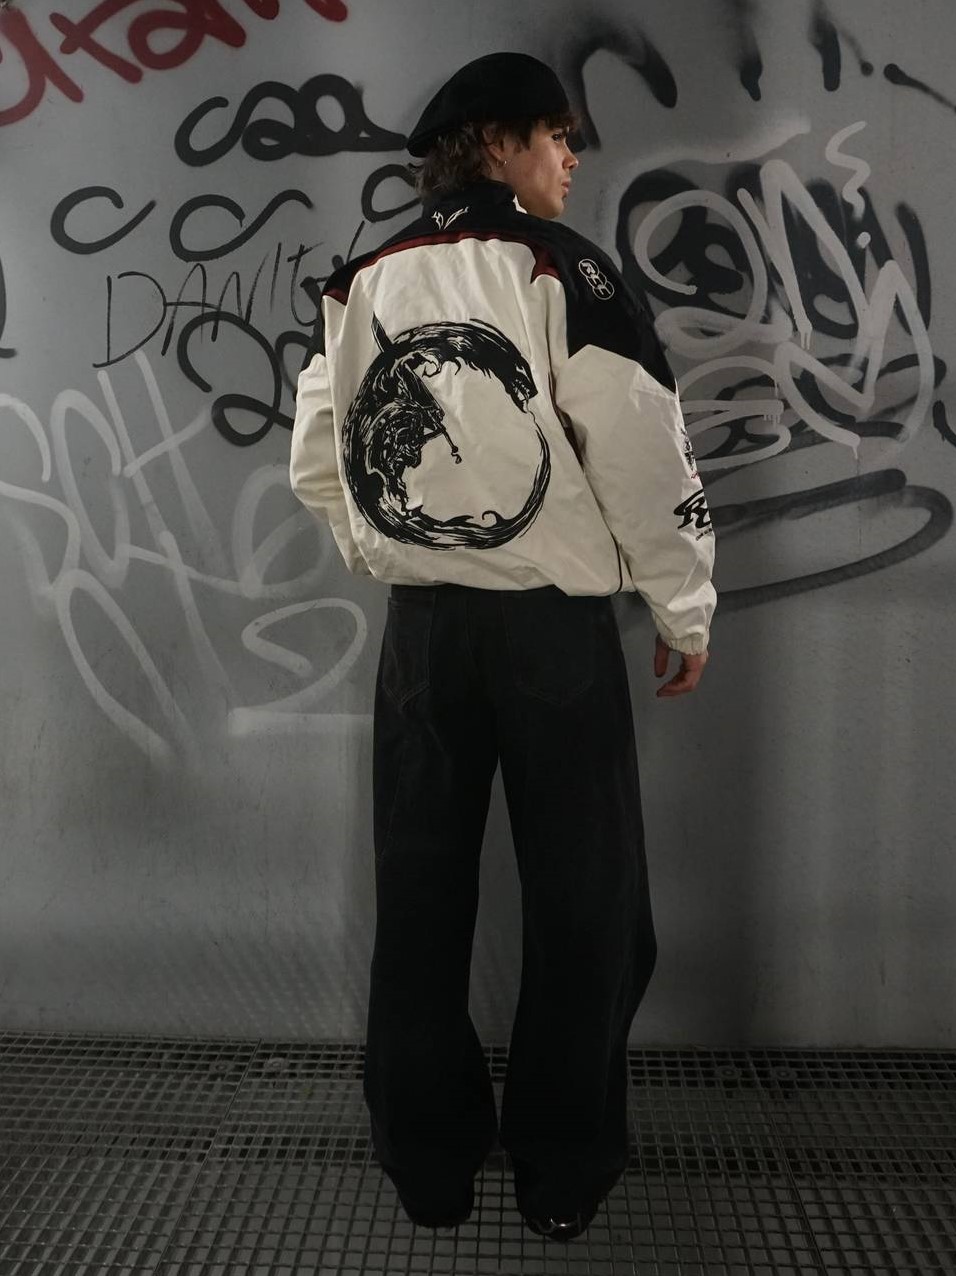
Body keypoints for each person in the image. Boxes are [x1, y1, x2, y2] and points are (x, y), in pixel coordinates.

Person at [289, 51, 716, 1244]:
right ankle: (560, 1170)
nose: (572, 157)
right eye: (557, 136)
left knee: (418, 894)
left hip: (422, 635)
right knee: (587, 899)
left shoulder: (363, 279)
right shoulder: (565, 268)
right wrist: (683, 606)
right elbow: (644, 452)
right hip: (551, 638)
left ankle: (426, 1165)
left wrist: (390, 552)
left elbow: (317, 457)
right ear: (498, 143)